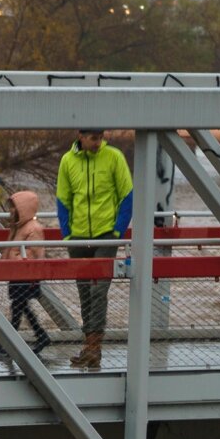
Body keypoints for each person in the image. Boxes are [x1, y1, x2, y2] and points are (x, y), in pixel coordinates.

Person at [54, 129, 133, 369]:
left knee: (98, 291)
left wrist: (117, 231)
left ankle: (93, 348)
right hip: (78, 237)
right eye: (93, 138)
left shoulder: (114, 157)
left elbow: (127, 196)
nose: (98, 142)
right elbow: (63, 200)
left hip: (106, 235)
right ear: (81, 136)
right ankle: (89, 346)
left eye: (100, 137)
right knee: (84, 292)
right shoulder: (68, 161)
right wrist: (68, 235)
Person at [0, 189, 52, 358]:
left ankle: (11, 343)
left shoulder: (33, 228)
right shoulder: (17, 227)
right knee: (20, 307)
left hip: (26, 275)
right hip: (17, 274)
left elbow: (35, 253)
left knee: (18, 307)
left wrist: (16, 261)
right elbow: (12, 248)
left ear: (23, 209)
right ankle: (40, 335)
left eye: (14, 208)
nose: (11, 211)